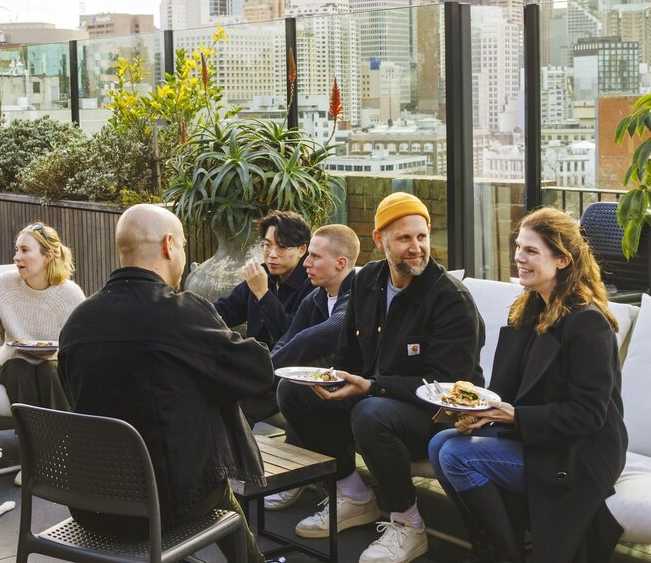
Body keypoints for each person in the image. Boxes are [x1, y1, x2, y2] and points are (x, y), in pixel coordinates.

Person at [276, 192, 485, 563]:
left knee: (370, 412)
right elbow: (349, 354)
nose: (416, 248)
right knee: (293, 391)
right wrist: (332, 381)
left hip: (436, 414)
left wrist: (371, 386)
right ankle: (353, 494)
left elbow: (450, 386)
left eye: (421, 237)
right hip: (374, 398)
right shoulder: (367, 279)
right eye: (404, 238)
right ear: (379, 240)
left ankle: (408, 523)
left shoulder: (449, 299)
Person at [59, 204, 274, 563]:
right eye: (186, 245)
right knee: (218, 491)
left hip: (90, 504)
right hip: (168, 504)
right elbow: (258, 373)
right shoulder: (181, 313)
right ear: (169, 245)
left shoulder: (78, 321)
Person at [428, 207, 627, 563]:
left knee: (457, 455)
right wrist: (480, 411)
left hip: (579, 451)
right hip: (540, 438)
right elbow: (513, 391)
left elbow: (589, 416)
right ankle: (492, 545)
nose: (519, 257)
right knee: (441, 442)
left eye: (531, 251)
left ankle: (505, 554)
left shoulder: (587, 322)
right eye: (519, 247)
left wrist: (514, 417)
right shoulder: (529, 307)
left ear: (563, 260)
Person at [0, 222, 85, 485]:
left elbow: (82, 344)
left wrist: (57, 354)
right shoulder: (6, 285)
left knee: (49, 371)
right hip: (14, 363)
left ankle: (63, 457)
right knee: (21, 369)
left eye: (24, 250)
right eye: (16, 249)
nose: (16, 257)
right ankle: (34, 461)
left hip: (55, 363)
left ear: (47, 256)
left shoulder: (69, 294)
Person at [243, 224, 360, 427]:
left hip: (355, 391)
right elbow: (285, 341)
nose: (306, 263)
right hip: (315, 388)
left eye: (315, 256)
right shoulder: (315, 297)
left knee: (262, 391)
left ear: (340, 263)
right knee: (239, 397)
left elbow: (313, 338)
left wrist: (258, 373)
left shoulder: (359, 296)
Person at [214, 210, 313, 346]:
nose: (272, 254)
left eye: (282, 247)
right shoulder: (263, 273)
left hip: (290, 364)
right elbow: (225, 310)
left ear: (301, 250)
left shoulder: (312, 282)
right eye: (267, 245)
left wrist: (263, 294)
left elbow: (291, 337)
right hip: (255, 360)